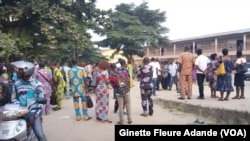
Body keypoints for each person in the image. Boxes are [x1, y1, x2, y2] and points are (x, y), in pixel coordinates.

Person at [10, 60, 47, 141]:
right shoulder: (16, 84)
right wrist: (21, 108)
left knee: (40, 135)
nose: (18, 72)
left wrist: (34, 115)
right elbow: (13, 99)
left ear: (27, 70)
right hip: (20, 114)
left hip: (34, 114)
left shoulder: (37, 83)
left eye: (20, 70)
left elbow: (40, 102)